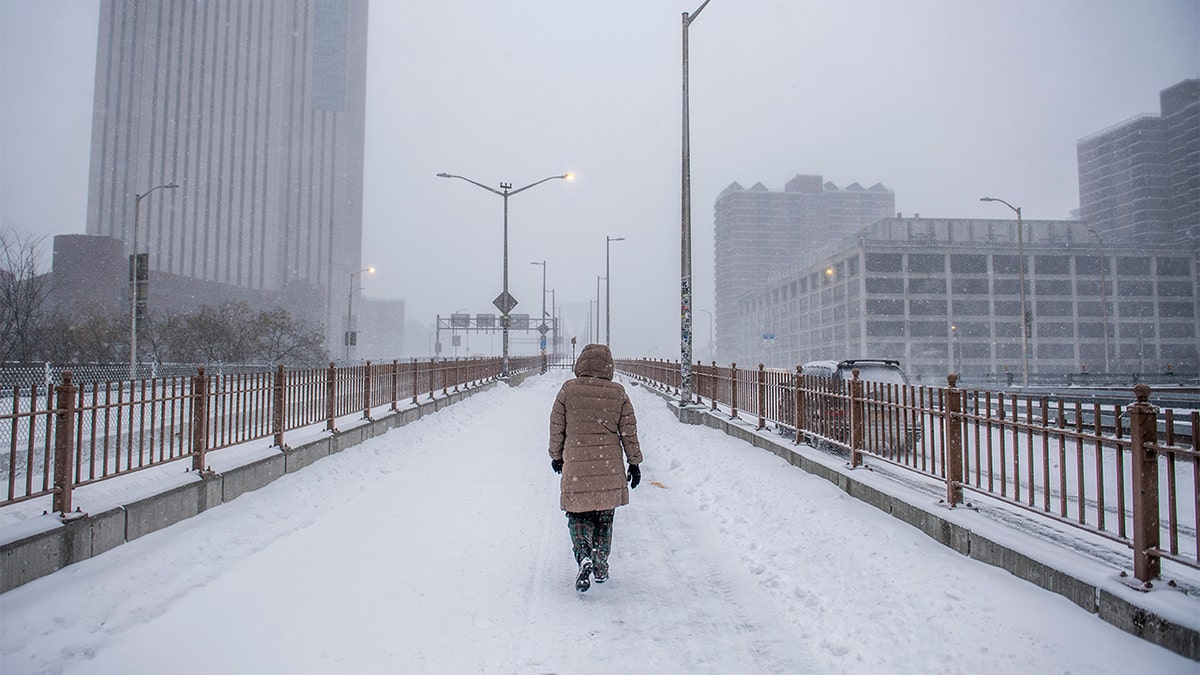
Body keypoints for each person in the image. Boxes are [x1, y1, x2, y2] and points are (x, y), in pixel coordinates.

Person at [548, 343, 642, 592]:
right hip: (608, 467)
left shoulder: (569, 389)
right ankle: (600, 564)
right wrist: (634, 462)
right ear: (608, 366)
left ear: (581, 363)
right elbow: (628, 432)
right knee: (604, 517)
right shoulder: (618, 393)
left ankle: (583, 555)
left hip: (576, 467)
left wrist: (556, 455)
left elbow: (557, 426)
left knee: (578, 516)